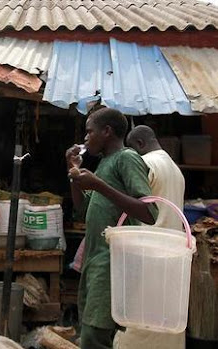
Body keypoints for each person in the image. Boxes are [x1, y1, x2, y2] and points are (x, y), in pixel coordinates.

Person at [66, 108, 157, 349]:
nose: (85, 138)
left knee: (94, 337)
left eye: (89, 132)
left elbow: (149, 212)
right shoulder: (105, 163)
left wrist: (98, 185)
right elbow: (82, 211)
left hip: (112, 261)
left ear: (107, 131)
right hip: (95, 260)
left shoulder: (126, 158)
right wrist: (75, 174)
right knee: (92, 334)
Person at [114, 125, 186, 349]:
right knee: (166, 318)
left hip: (148, 252)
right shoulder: (175, 169)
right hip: (174, 252)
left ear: (139, 145)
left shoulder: (147, 164)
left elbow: (138, 207)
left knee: (138, 319)